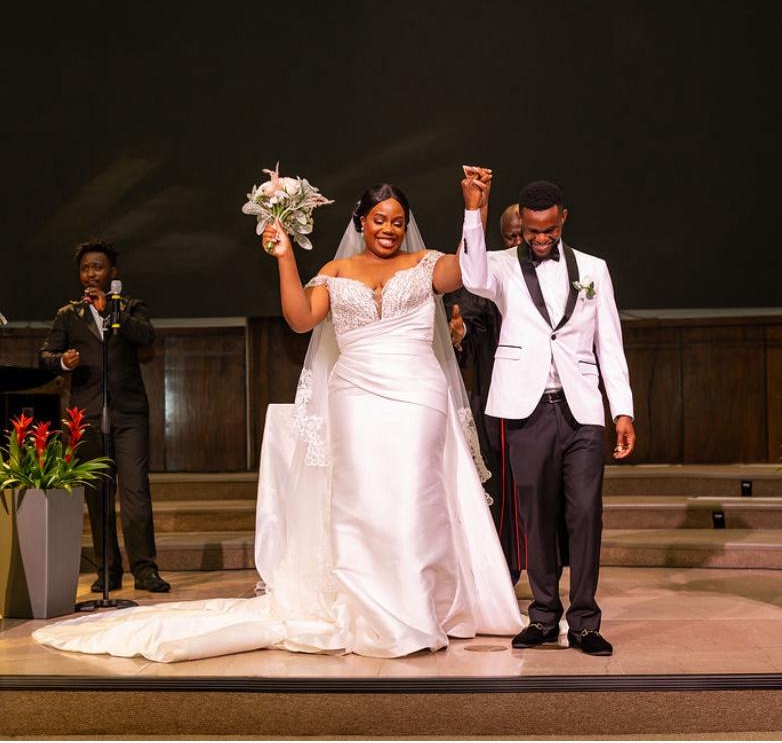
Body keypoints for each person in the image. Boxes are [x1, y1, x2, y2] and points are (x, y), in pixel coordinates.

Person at [32, 185, 522, 662]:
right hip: (353, 394)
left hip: (418, 392)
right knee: (363, 498)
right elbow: (301, 319)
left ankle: (421, 605)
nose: (389, 229)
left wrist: (474, 211)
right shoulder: (335, 271)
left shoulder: (426, 263)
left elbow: (468, 271)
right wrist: (285, 256)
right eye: (379, 220)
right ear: (361, 223)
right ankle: (372, 607)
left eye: (397, 221)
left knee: (416, 493)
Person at [460, 170, 635, 656]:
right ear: (522, 222)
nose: (540, 239)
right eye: (533, 231)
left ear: (564, 220)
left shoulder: (594, 269)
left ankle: (584, 622)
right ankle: (542, 615)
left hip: (581, 410)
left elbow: (610, 343)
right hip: (526, 408)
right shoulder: (499, 266)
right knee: (535, 515)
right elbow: (471, 276)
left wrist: (622, 410)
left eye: (549, 231)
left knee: (585, 514)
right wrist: (473, 209)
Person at [39, 238, 170, 593]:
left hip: (129, 414)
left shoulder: (130, 307)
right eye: (85, 268)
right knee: (97, 496)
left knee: (135, 493)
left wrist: (113, 312)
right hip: (88, 415)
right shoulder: (68, 315)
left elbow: (146, 336)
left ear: (113, 272)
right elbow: (46, 355)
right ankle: (108, 571)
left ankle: (145, 570)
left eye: (97, 267)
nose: (90, 274)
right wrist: (63, 362)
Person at [443, 204, 525, 583]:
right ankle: (503, 573)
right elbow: (468, 325)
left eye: (525, 233)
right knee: (500, 486)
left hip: (550, 398)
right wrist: (459, 333)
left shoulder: (559, 273)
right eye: (512, 235)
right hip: (496, 396)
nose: (520, 241)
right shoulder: (489, 273)